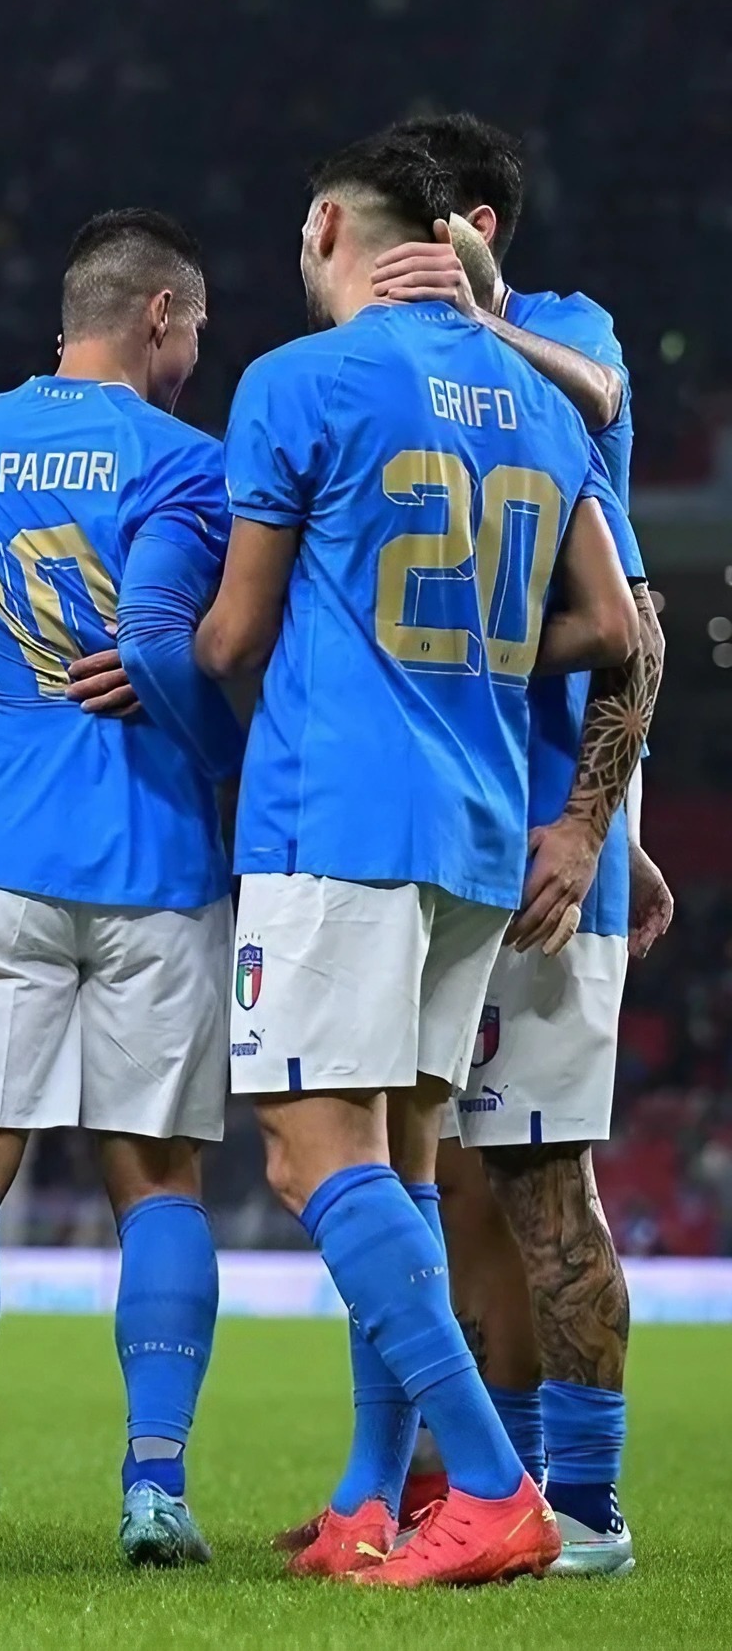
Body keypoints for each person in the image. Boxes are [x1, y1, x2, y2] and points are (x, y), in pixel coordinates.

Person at [194, 133, 642, 1588]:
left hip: (337, 809)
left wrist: (177, 667)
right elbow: (614, 630)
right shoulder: (536, 388)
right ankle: (372, 1500)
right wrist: (475, 654)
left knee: (306, 1145)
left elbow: (234, 636)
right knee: (400, 1156)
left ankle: (500, 1488)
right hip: (471, 825)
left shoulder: (297, 382)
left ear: (330, 225)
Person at [0, 209, 242, 1573]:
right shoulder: (190, 460)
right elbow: (158, 642)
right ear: (156, 317)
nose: (199, 350)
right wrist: (212, 735)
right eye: (193, 326)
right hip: (151, 863)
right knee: (157, 1185)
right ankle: (153, 1486)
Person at [359, 112, 666, 1578]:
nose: (396, 254)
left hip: (540, 849)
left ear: (482, 223)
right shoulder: (389, 371)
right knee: (432, 1176)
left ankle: (588, 1511)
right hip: (442, 835)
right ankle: (448, 1487)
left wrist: (601, 820)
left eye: (428, 225)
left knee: (542, 1179)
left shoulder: (551, 341)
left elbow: (630, 625)